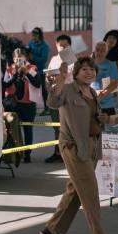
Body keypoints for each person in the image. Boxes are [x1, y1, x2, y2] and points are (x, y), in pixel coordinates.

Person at [41, 57, 118, 234]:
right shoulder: (68, 89)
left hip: (92, 145)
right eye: (84, 69)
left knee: (75, 189)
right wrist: (60, 80)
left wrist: (101, 119)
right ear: (76, 73)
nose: (89, 72)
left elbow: (91, 118)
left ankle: (52, 228)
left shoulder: (91, 92)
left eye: (92, 70)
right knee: (90, 193)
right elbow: (52, 102)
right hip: (74, 147)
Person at [2, 48, 41, 163]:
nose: (19, 60)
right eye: (16, 58)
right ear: (13, 59)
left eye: (21, 58)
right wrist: (14, 75)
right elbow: (4, 84)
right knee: (13, 129)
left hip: (29, 104)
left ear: (26, 58)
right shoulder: (9, 69)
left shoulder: (32, 68)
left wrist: (26, 72)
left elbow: (37, 83)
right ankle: (16, 154)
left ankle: (27, 153)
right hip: (14, 105)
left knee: (28, 129)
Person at [44, 35, 74, 163]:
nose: (63, 48)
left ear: (70, 46)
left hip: (68, 97)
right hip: (55, 95)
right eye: (60, 46)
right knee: (56, 126)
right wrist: (48, 82)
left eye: (65, 46)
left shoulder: (74, 60)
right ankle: (57, 152)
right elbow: (48, 75)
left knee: (67, 127)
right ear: (56, 46)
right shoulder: (54, 59)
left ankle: (68, 153)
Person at [91, 42, 118, 116]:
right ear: (94, 51)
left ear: (106, 52)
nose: (99, 52)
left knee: (109, 126)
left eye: (102, 50)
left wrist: (100, 96)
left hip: (107, 105)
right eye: (97, 50)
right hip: (90, 103)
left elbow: (115, 84)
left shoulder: (111, 64)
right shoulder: (89, 64)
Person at [28, 27, 50, 115]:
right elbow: (28, 51)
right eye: (33, 35)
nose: (33, 37)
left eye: (35, 35)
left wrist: (33, 57)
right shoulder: (31, 43)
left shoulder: (45, 46)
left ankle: (47, 107)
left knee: (43, 90)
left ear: (40, 36)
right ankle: (31, 107)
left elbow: (43, 59)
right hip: (31, 70)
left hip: (40, 71)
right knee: (31, 88)